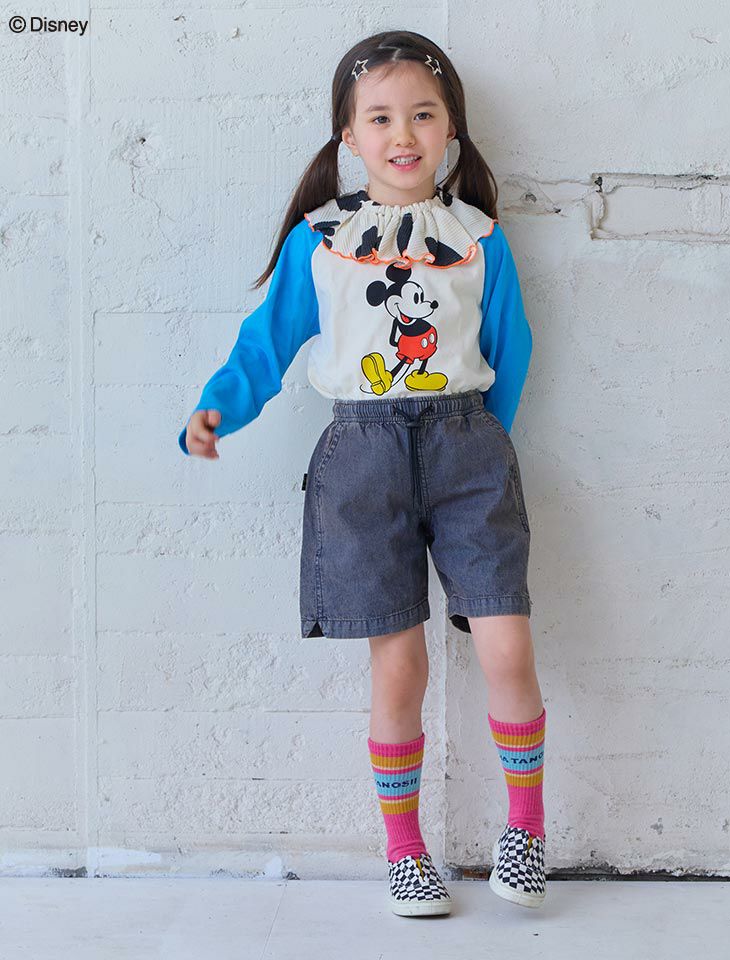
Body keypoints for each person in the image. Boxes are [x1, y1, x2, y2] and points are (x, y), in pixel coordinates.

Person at [178, 30, 547, 917]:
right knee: (399, 664)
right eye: (379, 118)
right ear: (348, 135)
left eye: (422, 114)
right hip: (361, 459)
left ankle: (527, 829)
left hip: (468, 452)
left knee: (506, 643)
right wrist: (217, 408)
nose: (402, 134)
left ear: (451, 127)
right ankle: (405, 850)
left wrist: (483, 443)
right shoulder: (323, 241)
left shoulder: (478, 238)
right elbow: (267, 343)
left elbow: (513, 348)